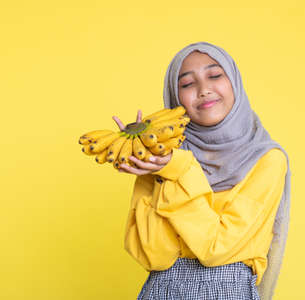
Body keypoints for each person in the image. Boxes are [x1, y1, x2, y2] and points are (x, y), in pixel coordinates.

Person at [113, 41, 292, 300]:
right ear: (175, 98)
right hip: (159, 290)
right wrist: (158, 165)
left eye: (215, 76)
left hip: (227, 289)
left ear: (234, 82)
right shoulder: (162, 155)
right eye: (187, 84)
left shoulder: (266, 159)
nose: (204, 90)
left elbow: (215, 249)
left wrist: (180, 170)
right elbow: (154, 255)